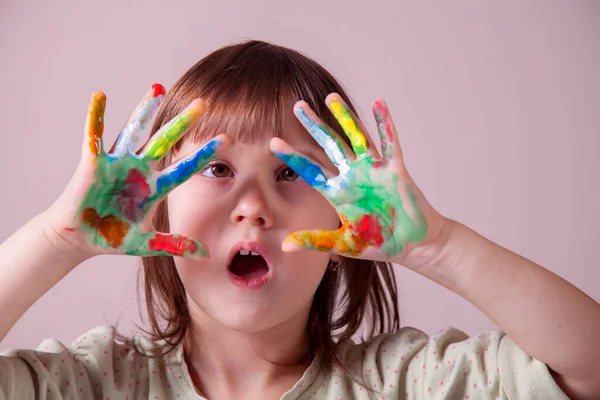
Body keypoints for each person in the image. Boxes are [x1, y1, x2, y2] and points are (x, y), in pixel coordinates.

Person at [0, 40, 598, 400]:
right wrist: (58, 240)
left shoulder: (405, 383)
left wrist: (436, 246)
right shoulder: (95, 384)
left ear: (347, 218)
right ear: (158, 203)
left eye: (292, 174)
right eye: (215, 169)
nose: (254, 206)